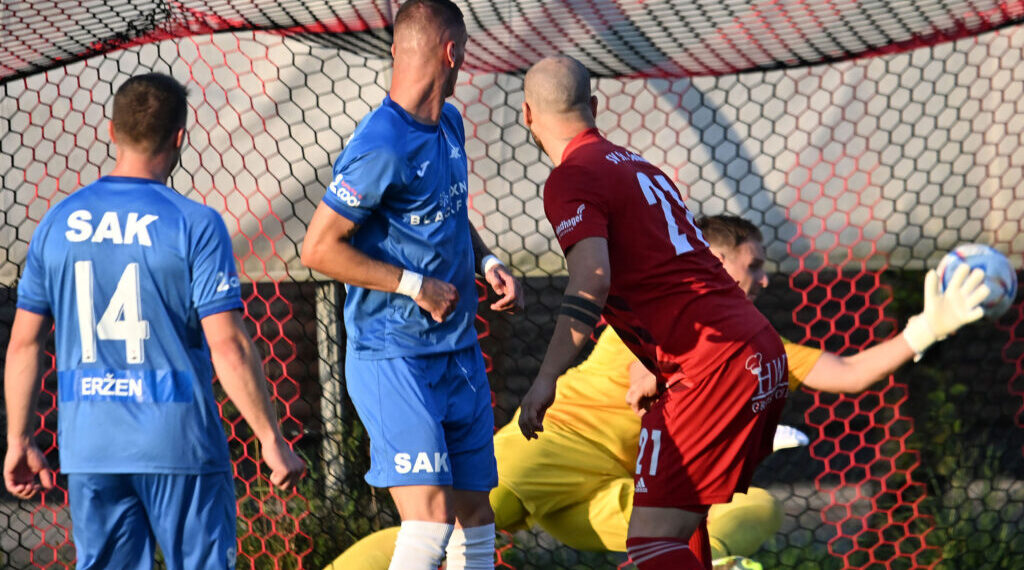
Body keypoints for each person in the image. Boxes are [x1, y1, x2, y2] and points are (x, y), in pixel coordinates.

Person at [326, 213, 990, 569]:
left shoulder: (754, 341)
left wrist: (925, 329)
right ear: (714, 258)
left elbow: (844, 375)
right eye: (752, 265)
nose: (763, 280)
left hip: (613, 492)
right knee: (435, 529)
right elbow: (641, 346)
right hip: (545, 453)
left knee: (749, 515)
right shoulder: (654, 292)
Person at [3, 73, 306, 570]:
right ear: (180, 136)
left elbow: (23, 345)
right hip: (177, 443)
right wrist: (271, 439)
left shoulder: (57, 223)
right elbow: (227, 346)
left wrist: (20, 438)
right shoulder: (195, 223)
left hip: (91, 447)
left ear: (110, 131)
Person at [514, 55, 790, 570]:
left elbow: (592, 280)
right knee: (679, 530)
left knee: (652, 544)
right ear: (593, 107)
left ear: (526, 114)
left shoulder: (572, 177)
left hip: (711, 367)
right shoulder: (640, 166)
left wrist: (546, 378)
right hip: (751, 353)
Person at [299, 1, 524, 569]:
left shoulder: (449, 123)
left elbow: (446, 213)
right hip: (393, 355)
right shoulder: (383, 143)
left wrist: (487, 259)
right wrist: (412, 284)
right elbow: (318, 248)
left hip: (459, 353)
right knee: (427, 519)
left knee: (477, 517)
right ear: (454, 53)